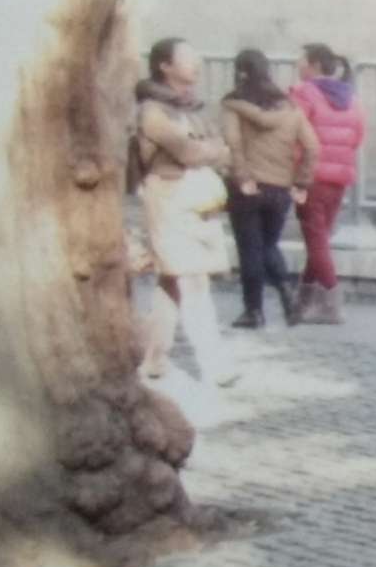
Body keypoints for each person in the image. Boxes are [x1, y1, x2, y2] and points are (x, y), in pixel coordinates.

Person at [134, 38, 238, 389]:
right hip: (168, 197)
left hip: (193, 198)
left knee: (173, 279)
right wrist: (210, 150)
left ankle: (154, 359)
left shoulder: (191, 107)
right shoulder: (152, 111)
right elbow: (189, 152)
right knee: (192, 279)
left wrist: (207, 150)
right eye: (187, 58)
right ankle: (214, 364)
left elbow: (220, 149)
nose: (196, 64)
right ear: (165, 66)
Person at [221, 49, 319, 328]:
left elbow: (233, 143)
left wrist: (242, 177)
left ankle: (254, 311)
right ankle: (287, 291)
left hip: (248, 186)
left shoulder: (233, 105)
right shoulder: (291, 108)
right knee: (268, 245)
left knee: (250, 248)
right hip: (280, 188)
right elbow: (312, 147)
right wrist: (301, 182)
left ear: (240, 72)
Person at [288, 43, 366, 325]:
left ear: (314, 65)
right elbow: (358, 135)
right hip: (339, 176)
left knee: (316, 240)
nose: (297, 65)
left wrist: (295, 172)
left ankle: (332, 303)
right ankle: (303, 302)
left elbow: (293, 134)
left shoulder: (303, 93)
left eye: (301, 60)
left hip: (311, 176)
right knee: (319, 239)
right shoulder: (350, 96)